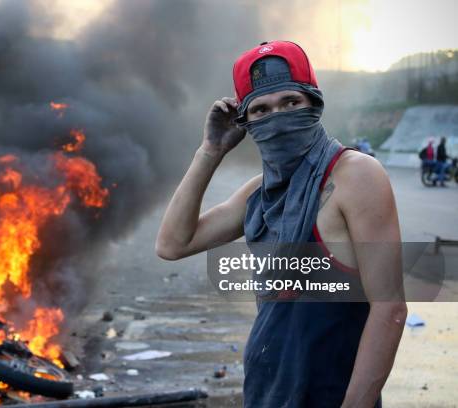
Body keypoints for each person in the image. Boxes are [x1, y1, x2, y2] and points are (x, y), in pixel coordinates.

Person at [156, 41, 406, 407]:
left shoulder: (355, 176)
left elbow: (390, 308)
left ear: (313, 102)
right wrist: (210, 151)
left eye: (291, 102)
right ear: (246, 123)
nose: (278, 116)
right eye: (260, 110)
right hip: (267, 393)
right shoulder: (259, 193)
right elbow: (172, 244)